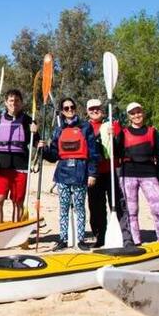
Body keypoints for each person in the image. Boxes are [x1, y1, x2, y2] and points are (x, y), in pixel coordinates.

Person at [42, 97, 99, 251]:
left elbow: (93, 153)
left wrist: (92, 174)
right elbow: (53, 155)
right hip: (62, 174)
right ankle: (63, 239)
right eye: (66, 108)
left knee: (79, 207)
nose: (69, 110)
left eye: (72, 107)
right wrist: (43, 149)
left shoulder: (85, 127)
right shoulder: (58, 130)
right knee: (64, 207)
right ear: (62, 111)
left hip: (80, 172)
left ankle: (80, 240)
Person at [85, 99, 134, 248]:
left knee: (118, 205)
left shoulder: (114, 125)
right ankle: (101, 237)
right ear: (87, 111)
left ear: (103, 109)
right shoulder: (84, 127)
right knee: (96, 208)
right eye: (91, 109)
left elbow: (120, 149)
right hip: (94, 174)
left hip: (113, 171)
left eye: (97, 108)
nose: (95, 111)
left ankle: (126, 238)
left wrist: (114, 137)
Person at [116, 102, 159, 244]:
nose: (136, 115)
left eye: (138, 112)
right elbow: (116, 152)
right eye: (133, 113)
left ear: (143, 113)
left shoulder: (152, 132)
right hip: (128, 175)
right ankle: (136, 241)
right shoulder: (123, 133)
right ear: (129, 117)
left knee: (157, 209)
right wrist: (114, 136)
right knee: (132, 211)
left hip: (149, 175)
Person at [0, 89, 39, 223]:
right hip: (1, 167)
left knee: (18, 201)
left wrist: (36, 133)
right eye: (11, 100)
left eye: (17, 100)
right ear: (6, 103)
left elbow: (36, 143)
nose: (14, 103)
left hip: (21, 167)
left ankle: (16, 231)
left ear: (21, 103)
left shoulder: (28, 121)